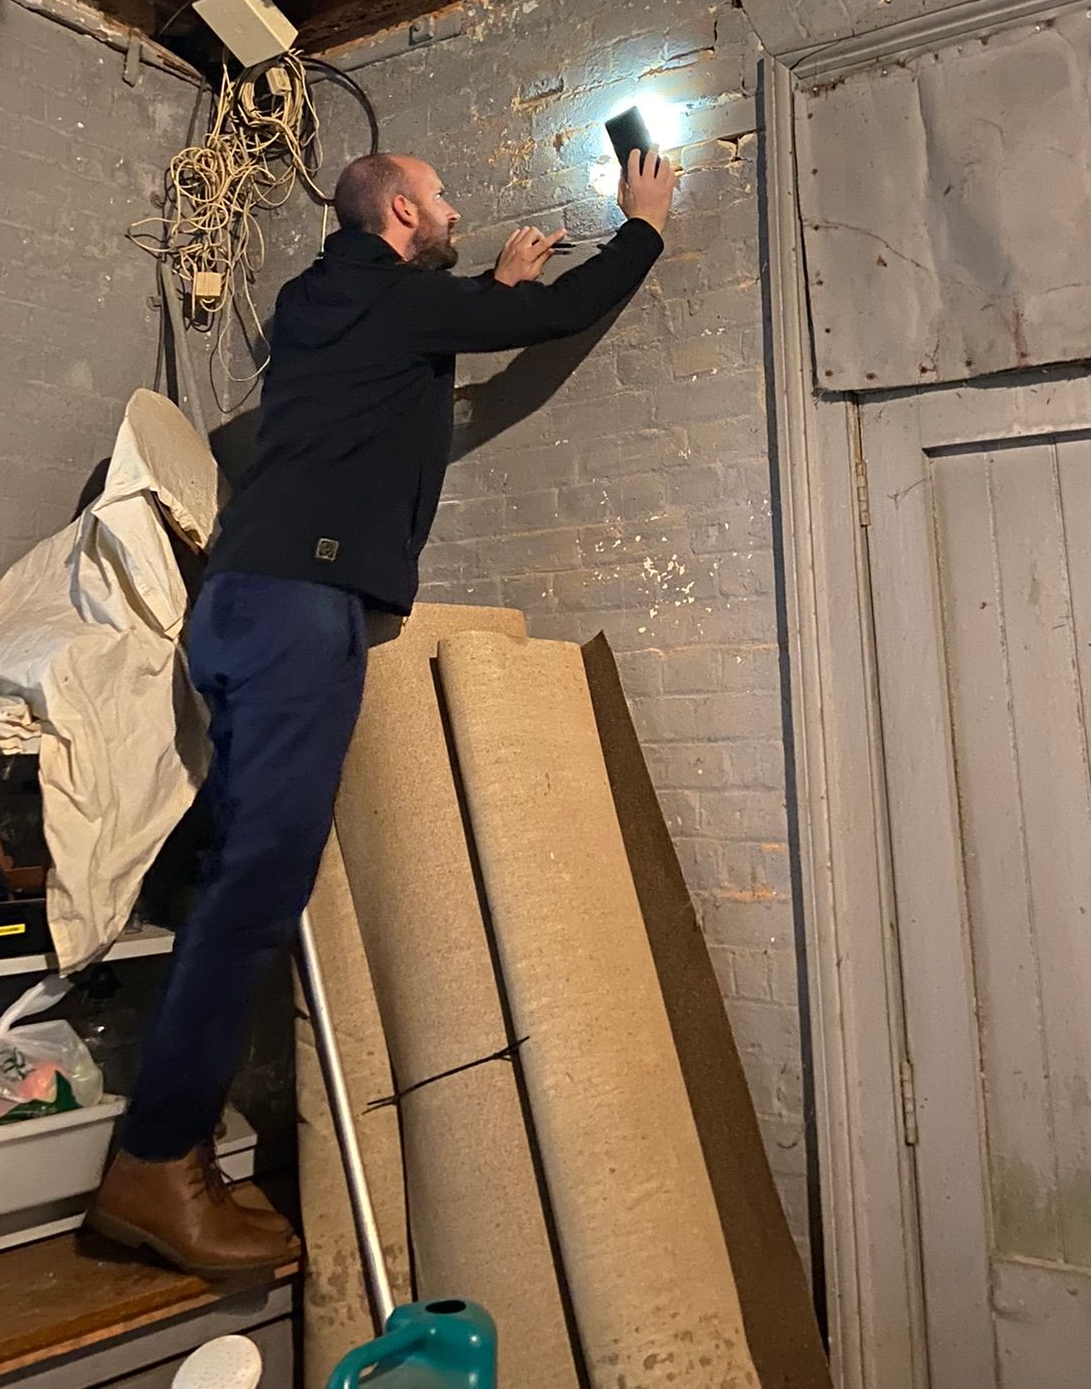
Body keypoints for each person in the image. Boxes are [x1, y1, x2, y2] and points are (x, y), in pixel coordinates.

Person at [89, 146, 676, 1275]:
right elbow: (559, 318)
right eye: (444, 198)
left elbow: (421, 346)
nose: (460, 208)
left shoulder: (331, 300)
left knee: (228, 874)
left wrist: (487, 288)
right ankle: (154, 1160)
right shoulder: (398, 301)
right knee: (261, 886)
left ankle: (172, 1146)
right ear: (403, 210)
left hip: (243, 601)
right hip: (301, 605)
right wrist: (642, 222)